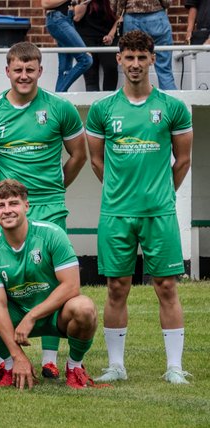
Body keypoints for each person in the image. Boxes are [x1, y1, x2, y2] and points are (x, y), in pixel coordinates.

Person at [86, 30, 193, 385]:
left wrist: (162, 193)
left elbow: (183, 160)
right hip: (116, 214)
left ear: (152, 59)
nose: (135, 64)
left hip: (159, 213)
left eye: (141, 57)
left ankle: (174, 366)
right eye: (129, 57)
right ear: (119, 59)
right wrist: (120, 191)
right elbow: (96, 162)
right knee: (117, 287)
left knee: (166, 286)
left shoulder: (172, 108)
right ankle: (116, 366)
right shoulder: (102, 110)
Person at [0, 41, 86, 379]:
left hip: (48, 204)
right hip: (4, 208)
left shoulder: (60, 108)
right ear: (7, 71)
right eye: (18, 70)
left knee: (50, 277)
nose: (24, 76)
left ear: (40, 71)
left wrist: (56, 188)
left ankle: (50, 359)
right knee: (0, 280)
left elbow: (79, 155)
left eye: (30, 69)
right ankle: (8, 360)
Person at [0, 179, 100, 390]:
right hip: (16, 315)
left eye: (13, 203)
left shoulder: (52, 234)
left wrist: (32, 316)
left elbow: (71, 286)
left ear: (26, 206)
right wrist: (17, 356)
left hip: (55, 314)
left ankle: (75, 367)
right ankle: (9, 364)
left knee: (84, 307)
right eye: (0, 206)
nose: (7, 210)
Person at [115, 0, 177, 90]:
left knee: (131, 65)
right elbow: (167, 2)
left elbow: (115, 5)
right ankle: (169, 98)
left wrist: (119, 11)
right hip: (157, 16)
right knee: (164, 70)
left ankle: (133, 98)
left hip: (132, 16)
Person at [45, 0, 94, 92]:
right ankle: (59, 93)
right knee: (86, 59)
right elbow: (45, 3)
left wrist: (82, 4)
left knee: (65, 68)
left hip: (68, 18)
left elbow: (77, 17)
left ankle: (58, 98)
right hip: (57, 18)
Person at [75, 0, 120, 91]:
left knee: (110, 67)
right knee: (90, 73)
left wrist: (111, 35)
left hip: (108, 37)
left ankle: (109, 98)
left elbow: (119, 18)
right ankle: (93, 99)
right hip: (87, 37)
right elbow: (77, 17)